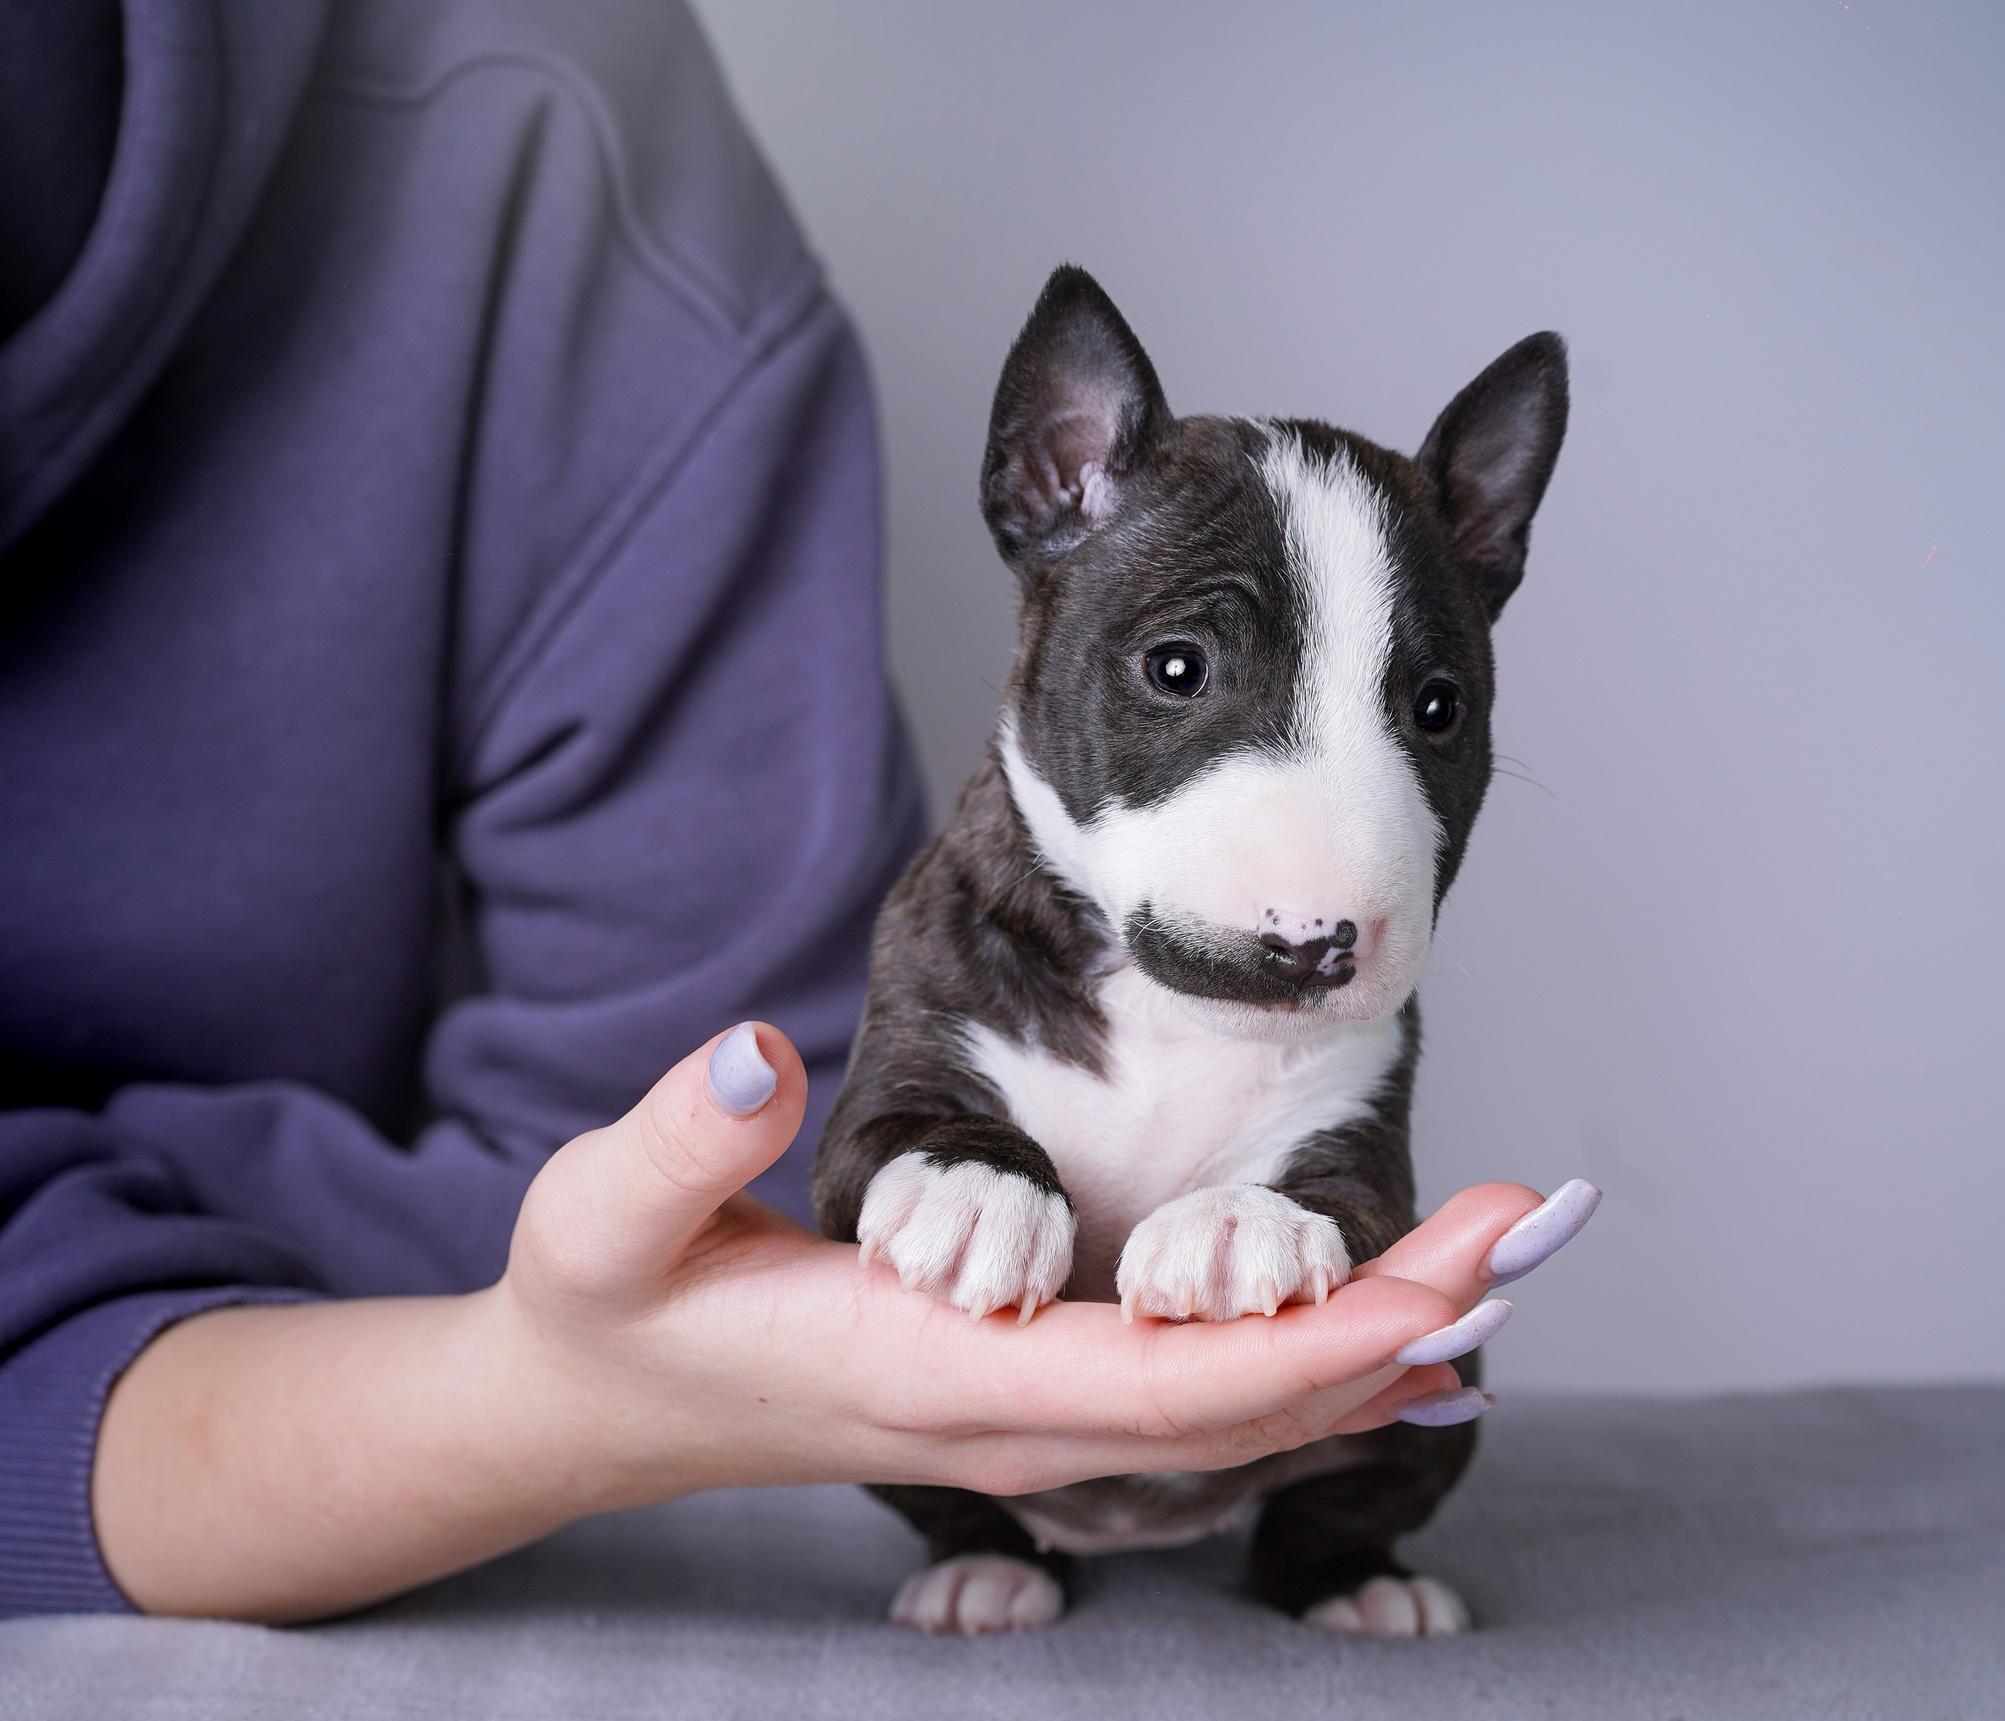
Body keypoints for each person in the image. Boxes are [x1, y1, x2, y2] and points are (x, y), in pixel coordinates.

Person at [0, 0, 1549, 1621]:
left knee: (1414, 1393)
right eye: (1181, 666)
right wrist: (935, 1184)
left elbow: (701, 1127)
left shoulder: (560, 153)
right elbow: (867, 1138)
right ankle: (984, 1531)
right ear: (1051, 481)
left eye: (1429, 714)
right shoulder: (957, 937)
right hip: (320, 1432)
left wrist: (1275, 1218)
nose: (1325, 875)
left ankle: (1325, 1552)